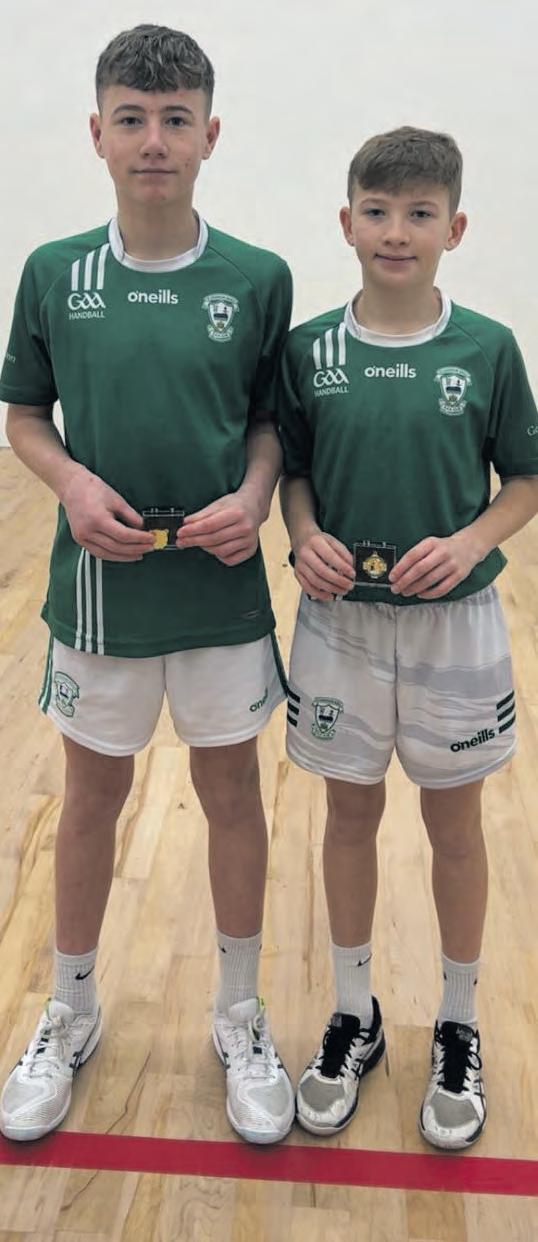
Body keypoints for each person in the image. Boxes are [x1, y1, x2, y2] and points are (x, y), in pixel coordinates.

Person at [0, 23, 295, 1146]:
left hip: (220, 591)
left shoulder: (257, 278)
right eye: (132, 118)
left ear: (211, 134)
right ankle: (70, 1010)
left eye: (176, 120)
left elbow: (269, 424)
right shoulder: (52, 272)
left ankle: (239, 1014)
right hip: (99, 594)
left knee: (232, 795)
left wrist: (256, 495)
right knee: (91, 799)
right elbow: (25, 415)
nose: (155, 140)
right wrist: (71, 482)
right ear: (98, 134)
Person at [278, 126, 538, 1149]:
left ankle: (460, 1022)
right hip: (341, 625)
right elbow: (294, 471)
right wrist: (302, 536)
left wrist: (470, 539)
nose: (397, 231)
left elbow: (524, 480)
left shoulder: (487, 348)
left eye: (419, 213)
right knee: (348, 818)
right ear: (345, 223)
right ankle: (355, 1014)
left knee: (453, 825)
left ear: (454, 229)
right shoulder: (310, 349)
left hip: (454, 628)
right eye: (378, 212)